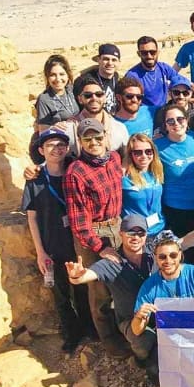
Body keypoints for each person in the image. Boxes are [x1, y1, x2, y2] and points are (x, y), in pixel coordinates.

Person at [65, 216, 194, 381]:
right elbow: (88, 275)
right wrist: (77, 276)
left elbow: (184, 242)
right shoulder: (111, 262)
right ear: (121, 234)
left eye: (140, 233)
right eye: (130, 232)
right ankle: (142, 359)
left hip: (163, 317)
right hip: (133, 318)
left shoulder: (155, 251)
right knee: (145, 344)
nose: (135, 237)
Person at [23, 128, 92, 353]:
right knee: (60, 293)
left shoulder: (76, 171)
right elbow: (32, 217)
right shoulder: (35, 179)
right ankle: (72, 333)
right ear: (41, 150)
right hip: (53, 246)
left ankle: (89, 328)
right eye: (50, 145)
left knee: (83, 289)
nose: (56, 149)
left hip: (78, 242)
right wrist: (40, 252)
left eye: (61, 144)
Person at [63, 118, 128, 357]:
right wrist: (100, 247)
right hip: (93, 232)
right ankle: (110, 342)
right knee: (100, 290)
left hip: (116, 225)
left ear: (106, 137)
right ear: (80, 142)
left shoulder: (114, 159)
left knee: (120, 283)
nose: (94, 143)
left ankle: (125, 331)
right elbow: (79, 222)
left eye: (98, 137)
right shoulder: (75, 172)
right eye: (87, 138)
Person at [131, 231, 194, 380]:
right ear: (155, 258)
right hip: (171, 340)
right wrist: (139, 317)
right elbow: (136, 330)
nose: (168, 261)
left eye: (173, 255)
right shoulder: (149, 287)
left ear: (180, 255)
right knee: (155, 373)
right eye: (162, 257)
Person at [154, 105, 194, 269]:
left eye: (180, 119)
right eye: (170, 121)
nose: (176, 123)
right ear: (165, 126)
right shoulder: (157, 147)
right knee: (188, 258)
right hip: (179, 212)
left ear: (187, 120)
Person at [57, 77, 129, 157]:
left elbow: (126, 158)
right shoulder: (66, 130)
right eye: (88, 95)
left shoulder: (119, 128)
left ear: (105, 98)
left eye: (99, 94)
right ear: (80, 99)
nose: (94, 98)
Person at [122, 133, 166, 240]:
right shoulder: (124, 177)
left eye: (148, 151)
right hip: (137, 233)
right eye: (138, 152)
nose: (144, 156)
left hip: (159, 228)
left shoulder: (157, 171)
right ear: (131, 154)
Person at [126, 36, 178, 108]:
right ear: (139, 54)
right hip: (144, 113)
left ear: (158, 52)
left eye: (152, 52)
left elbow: (182, 82)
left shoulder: (164, 68)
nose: (149, 56)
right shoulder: (132, 76)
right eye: (144, 53)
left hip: (164, 111)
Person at [73, 44, 122, 115]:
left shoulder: (117, 78)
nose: (110, 63)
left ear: (119, 63)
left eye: (114, 60)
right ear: (99, 60)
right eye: (106, 59)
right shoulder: (85, 81)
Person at [35, 54, 78, 129]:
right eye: (53, 75)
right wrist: (53, 127)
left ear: (68, 75)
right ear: (47, 77)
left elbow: (81, 74)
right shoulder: (44, 99)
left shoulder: (72, 90)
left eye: (62, 74)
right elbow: (43, 129)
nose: (58, 79)